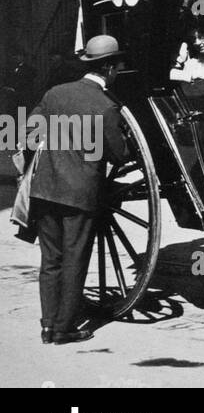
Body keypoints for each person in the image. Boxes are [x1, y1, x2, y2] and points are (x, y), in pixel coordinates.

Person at [27, 35, 129, 344]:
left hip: (44, 189)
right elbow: (119, 154)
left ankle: (47, 325)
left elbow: (31, 131)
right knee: (74, 260)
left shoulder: (55, 93)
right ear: (109, 68)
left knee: (51, 260)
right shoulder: (106, 106)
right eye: (117, 67)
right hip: (79, 194)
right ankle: (65, 328)